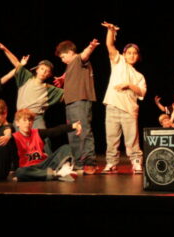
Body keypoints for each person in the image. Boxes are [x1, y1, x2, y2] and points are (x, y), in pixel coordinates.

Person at [100, 21, 147, 174]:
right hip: (113, 105)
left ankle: (136, 162)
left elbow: (141, 92)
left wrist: (128, 85)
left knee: (132, 139)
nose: (132, 55)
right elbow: (110, 45)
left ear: (138, 56)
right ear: (125, 54)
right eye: (129, 53)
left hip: (129, 110)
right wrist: (110, 31)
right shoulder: (118, 62)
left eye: (135, 53)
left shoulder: (139, 76)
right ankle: (111, 163)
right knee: (112, 138)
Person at [0, 41, 64, 129]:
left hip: (36, 118)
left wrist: (66, 77)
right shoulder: (26, 78)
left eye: (47, 71)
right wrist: (5, 49)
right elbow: (16, 63)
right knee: (20, 141)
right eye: (42, 69)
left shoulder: (49, 89)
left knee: (41, 140)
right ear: (37, 69)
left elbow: (68, 94)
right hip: (21, 116)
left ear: (49, 75)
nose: (44, 72)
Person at [55, 37, 100, 171]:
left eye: (63, 57)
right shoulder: (70, 66)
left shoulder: (78, 59)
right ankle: (78, 163)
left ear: (70, 52)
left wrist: (91, 47)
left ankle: (89, 162)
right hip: (70, 103)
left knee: (84, 131)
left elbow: (84, 55)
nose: (62, 60)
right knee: (73, 133)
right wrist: (64, 78)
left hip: (80, 101)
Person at [9, 108, 82, 182]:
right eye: (24, 120)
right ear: (17, 123)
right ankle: (56, 174)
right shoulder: (14, 138)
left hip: (44, 165)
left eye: (30, 120)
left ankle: (62, 170)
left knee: (66, 147)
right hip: (28, 168)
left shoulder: (37, 133)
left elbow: (55, 131)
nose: (28, 123)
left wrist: (73, 126)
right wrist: (7, 130)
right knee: (20, 172)